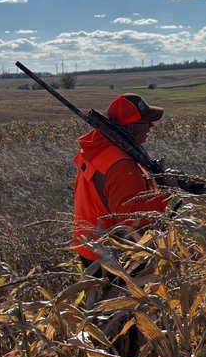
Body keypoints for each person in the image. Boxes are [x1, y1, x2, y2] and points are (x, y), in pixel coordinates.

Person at [72, 92, 170, 263]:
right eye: (145, 122)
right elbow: (131, 220)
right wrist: (169, 194)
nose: (151, 126)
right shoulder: (121, 165)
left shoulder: (98, 150)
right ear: (129, 127)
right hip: (110, 255)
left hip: (89, 246)